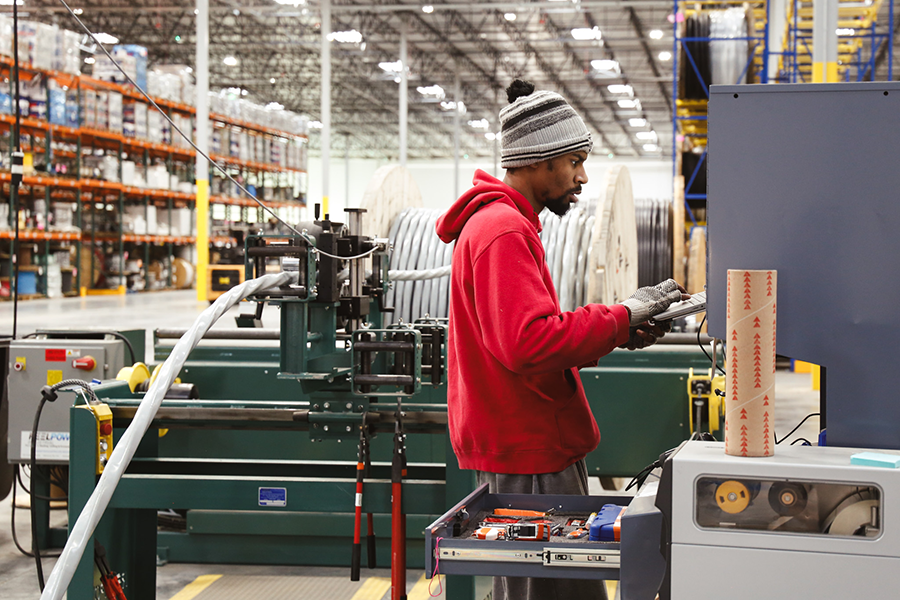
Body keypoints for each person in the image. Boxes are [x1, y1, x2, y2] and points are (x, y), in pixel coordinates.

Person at [435, 80, 687, 600]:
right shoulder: (503, 230)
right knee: (551, 591)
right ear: (539, 159)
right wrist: (619, 313)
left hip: (528, 442)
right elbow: (527, 344)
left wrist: (620, 329)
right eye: (574, 160)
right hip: (530, 451)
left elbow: (530, 334)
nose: (582, 176)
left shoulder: (503, 225)